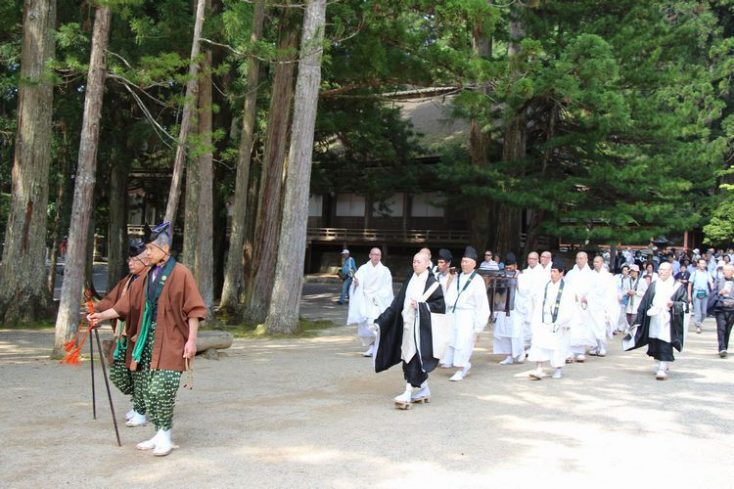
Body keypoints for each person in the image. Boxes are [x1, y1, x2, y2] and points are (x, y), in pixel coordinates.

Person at [88, 222, 207, 456]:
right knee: (147, 389)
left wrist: (191, 341)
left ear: (163, 249)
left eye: (150, 249)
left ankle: (166, 435)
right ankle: (159, 433)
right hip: (145, 340)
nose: (147, 254)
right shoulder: (146, 276)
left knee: (164, 387)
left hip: (172, 340)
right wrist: (100, 316)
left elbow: (194, 310)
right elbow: (125, 305)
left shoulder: (181, 273)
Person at [373, 253, 445, 409]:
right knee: (407, 356)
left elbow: (440, 307)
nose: (415, 264)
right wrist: (382, 321)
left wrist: (421, 306)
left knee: (414, 358)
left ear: (427, 264)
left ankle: (407, 392)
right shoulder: (410, 279)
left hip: (421, 329)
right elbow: (398, 302)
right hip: (407, 324)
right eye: (413, 261)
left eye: (418, 261)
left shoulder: (433, 284)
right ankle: (424, 389)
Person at [93, 239, 149, 427]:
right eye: (129, 260)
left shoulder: (150, 280)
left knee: (139, 372)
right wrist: (95, 311)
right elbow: (112, 301)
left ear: (146, 260)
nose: (131, 263)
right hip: (124, 333)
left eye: (135, 260)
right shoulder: (128, 280)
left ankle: (141, 410)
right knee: (122, 372)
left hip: (141, 333)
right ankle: (137, 403)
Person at [624, 262, 688, 380]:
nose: (661, 272)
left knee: (665, 341)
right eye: (660, 269)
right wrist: (640, 316)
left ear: (670, 271)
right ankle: (659, 363)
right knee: (655, 341)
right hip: (654, 318)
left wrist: (673, 304)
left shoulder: (678, 287)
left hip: (667, 320)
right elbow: (645, 301)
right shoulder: (654, 285)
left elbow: (685, 305)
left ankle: (662, 367)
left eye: (664, 270)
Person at [441, 247, 491, 381]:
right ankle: (456, 363)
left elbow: (482, 304)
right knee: (452, 339)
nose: (464, 264)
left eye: (467, 262)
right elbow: (450, 295)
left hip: (467, 315)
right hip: (454, 314)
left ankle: (461, 368)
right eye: (463, 261)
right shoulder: (457, 277)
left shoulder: (477, 280)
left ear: (474, 263)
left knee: (463, 342)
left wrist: (479, 324)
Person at [527, 260, 575, 380]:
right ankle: (539, 368)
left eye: (554, 271)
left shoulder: (568, 289)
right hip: (544, 320)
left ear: (561, 273)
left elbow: (569, 308)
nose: (552, 274)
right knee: (539, 343)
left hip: (559, 323)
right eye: (551, 271)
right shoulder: (544, 286)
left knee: (558, 346)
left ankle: (558, 369)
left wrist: (561, 322)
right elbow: (537, 303)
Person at [347, 248, 394, 357]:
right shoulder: (363, 269)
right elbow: (357, 281)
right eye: (374, 254)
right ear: (370, 255)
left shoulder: (385, 271)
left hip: (378, 301)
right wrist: (356, 283)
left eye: (378, 255)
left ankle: (379, 347)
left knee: (374, 325)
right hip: (365, 300)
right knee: (365, 326)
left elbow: (387, 288)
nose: (376, 257)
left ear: (380, 257)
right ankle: (372, 347)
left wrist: (378, 296)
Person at [493, 253, 526, 365]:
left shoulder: (521, 276)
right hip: (504, 307)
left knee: (516, 332)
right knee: (505, 332)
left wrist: (516, 281)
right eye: (506, 268)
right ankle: (509, 355)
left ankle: (520, 353)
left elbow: (525, 292)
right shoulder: (503, 275)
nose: (508, 269)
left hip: (516, 308)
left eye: (510, 267)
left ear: (515, 266)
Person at [565, 251, 596, 363]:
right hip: (572, 304)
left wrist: (587, 298)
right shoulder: (570, 274)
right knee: (572, 327)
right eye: (578, 258)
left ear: (586, 259)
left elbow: (594, 290)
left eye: (582, 258)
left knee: (583, 326)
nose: (579, 260)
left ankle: (580, 352)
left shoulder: (591, 274)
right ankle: (570, 352)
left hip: (584, 305)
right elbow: (566, 287)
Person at [712, 264, 734, 358]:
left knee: (728, 329)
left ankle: (724, 347)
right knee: (721, 328)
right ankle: (722, 348)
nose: (727, 272)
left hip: (732, 308)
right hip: (720, 307)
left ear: (733, 272)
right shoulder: (718, 281)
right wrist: (720, 292)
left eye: (730, 270)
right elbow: (713, 293)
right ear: (723, 271)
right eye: (726, 270)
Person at [688, 258, 714, 334]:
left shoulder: (707, 273)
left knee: (704, 312)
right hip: (696, 293)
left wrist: (713, 291)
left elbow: (711, 282)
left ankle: (699, 323)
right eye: (701, 263)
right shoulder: (694, 273)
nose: (702, 265)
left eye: (704, 263)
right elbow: (690, 284)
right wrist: (689, 295)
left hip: (705, 293)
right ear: (698, 264)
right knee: (698, 312)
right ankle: (698, 326)